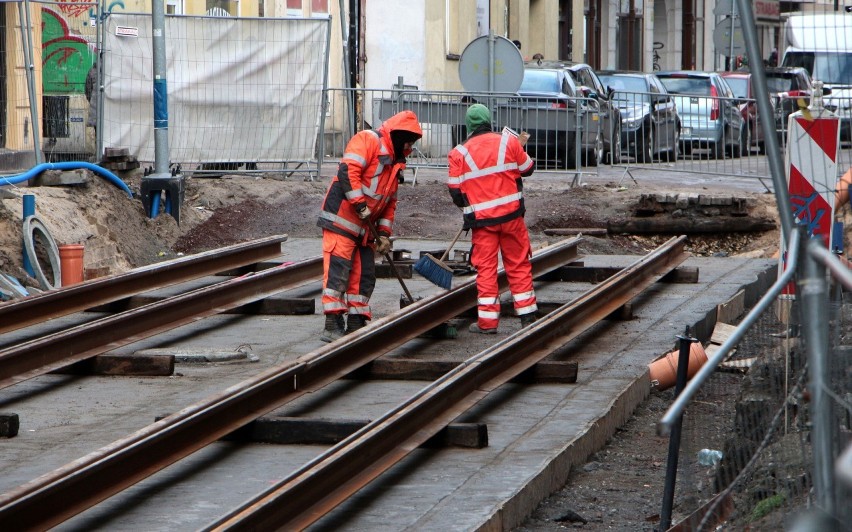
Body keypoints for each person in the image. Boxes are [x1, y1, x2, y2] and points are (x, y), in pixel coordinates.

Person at [317, 110, 423, 342]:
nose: (410, 146)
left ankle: (356, 320)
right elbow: (348, 172)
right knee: (339, 270)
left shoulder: (396, 163)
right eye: (408, 141)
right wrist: (359, 205)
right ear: (398, 136)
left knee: (364, 273)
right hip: (342, 219)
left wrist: (384, 234)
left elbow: (389, 202)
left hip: (366, 229)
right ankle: (332, 322)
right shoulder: (367, 140)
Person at [447, 104, 538, 334]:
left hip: (483, 223)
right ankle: (527, 317)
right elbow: (528, 168)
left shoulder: (459, 153)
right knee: (518, 265)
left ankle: (487, 323)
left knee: (486, 269)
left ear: (469, 126)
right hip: (512, 218)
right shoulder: (509, 142)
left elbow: (456, 192)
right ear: (489, 121)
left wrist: (473, 206)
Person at [84, 59, 98, 158]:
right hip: (111, 111)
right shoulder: (113, 70)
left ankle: (99, 155)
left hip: (96, 111)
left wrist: (93, 102)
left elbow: (88, 92)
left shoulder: (92, 71)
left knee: (98, 135)